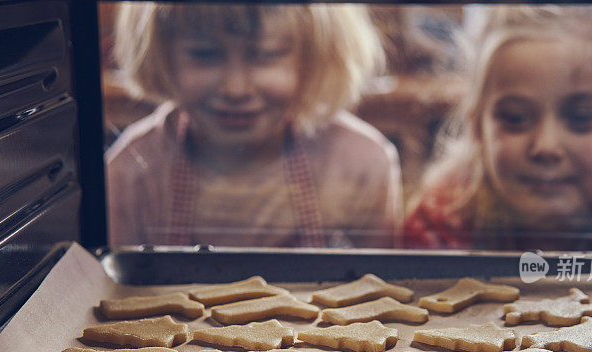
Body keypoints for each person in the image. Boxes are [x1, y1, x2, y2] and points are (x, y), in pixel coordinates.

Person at [106, 3, 402, 248]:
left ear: (315, 55)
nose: (236, 89)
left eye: (265, 55)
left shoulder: (362, 165)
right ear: (161, 55)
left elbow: (378, 293)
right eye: (205, 55)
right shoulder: (130, 172)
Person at [404, 5, 592, 251]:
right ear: (477, 126)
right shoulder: (439, 222)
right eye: (516, 118)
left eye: (580, 117)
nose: (546, 146)